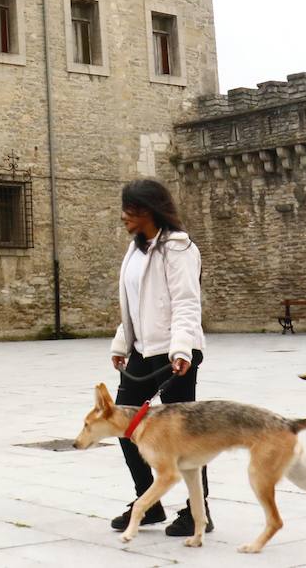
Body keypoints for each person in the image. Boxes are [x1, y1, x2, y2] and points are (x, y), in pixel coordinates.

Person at [108, 178, 210, 538]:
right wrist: (123, 343)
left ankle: (200, 510)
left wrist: (182, 348)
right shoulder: (135, 251)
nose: (123, 216)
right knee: (124, 424)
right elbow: (134, 306)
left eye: (129, 209)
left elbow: (186, 302)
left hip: (173, 351)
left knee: (184, 435)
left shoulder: (178, 249)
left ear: (148, 210)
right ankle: (146, 503)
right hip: (142, 350)